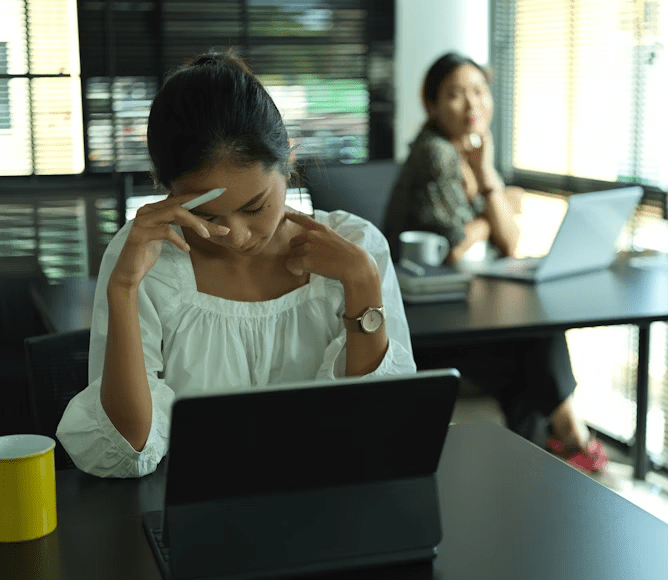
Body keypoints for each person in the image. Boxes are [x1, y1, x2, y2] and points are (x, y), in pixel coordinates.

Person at [57, 50, 416, 478]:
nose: (237, 236)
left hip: (330, 498)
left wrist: (362, 283)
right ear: (165, 190)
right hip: (196, 504)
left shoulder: (355, 248)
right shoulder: (146, 258)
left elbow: (377, 426)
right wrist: (123, 289)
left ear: (290, 161)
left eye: (255, 207)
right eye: (207, 216)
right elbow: (128, 449)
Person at [383, 52, 607, 471]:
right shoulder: (436, 153)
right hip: (425, 317)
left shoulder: (468, 152)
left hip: (458, 304)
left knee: (534, 342)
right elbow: (453, 248)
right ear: (432, 105)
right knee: (536, 339)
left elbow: (509, 243)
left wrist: (487, 175)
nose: (472, 105)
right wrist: (496, 206)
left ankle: (544, 457)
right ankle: (568, 440)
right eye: (454, 94)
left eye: (478, 91)